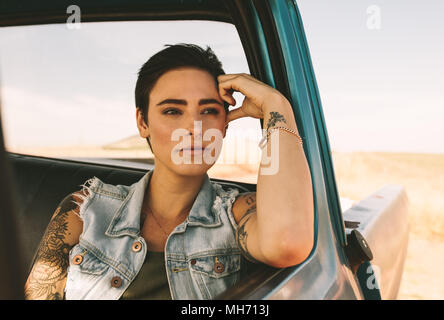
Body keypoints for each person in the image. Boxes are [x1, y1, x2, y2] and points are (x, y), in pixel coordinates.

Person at [24, 43, 314, 300]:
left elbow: (287, 243)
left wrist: (276, 108)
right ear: (143, 123)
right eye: (173, 111)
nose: (194, 127)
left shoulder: (236, 215)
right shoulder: (83, 211)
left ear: (225, 124)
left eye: (210, 111)